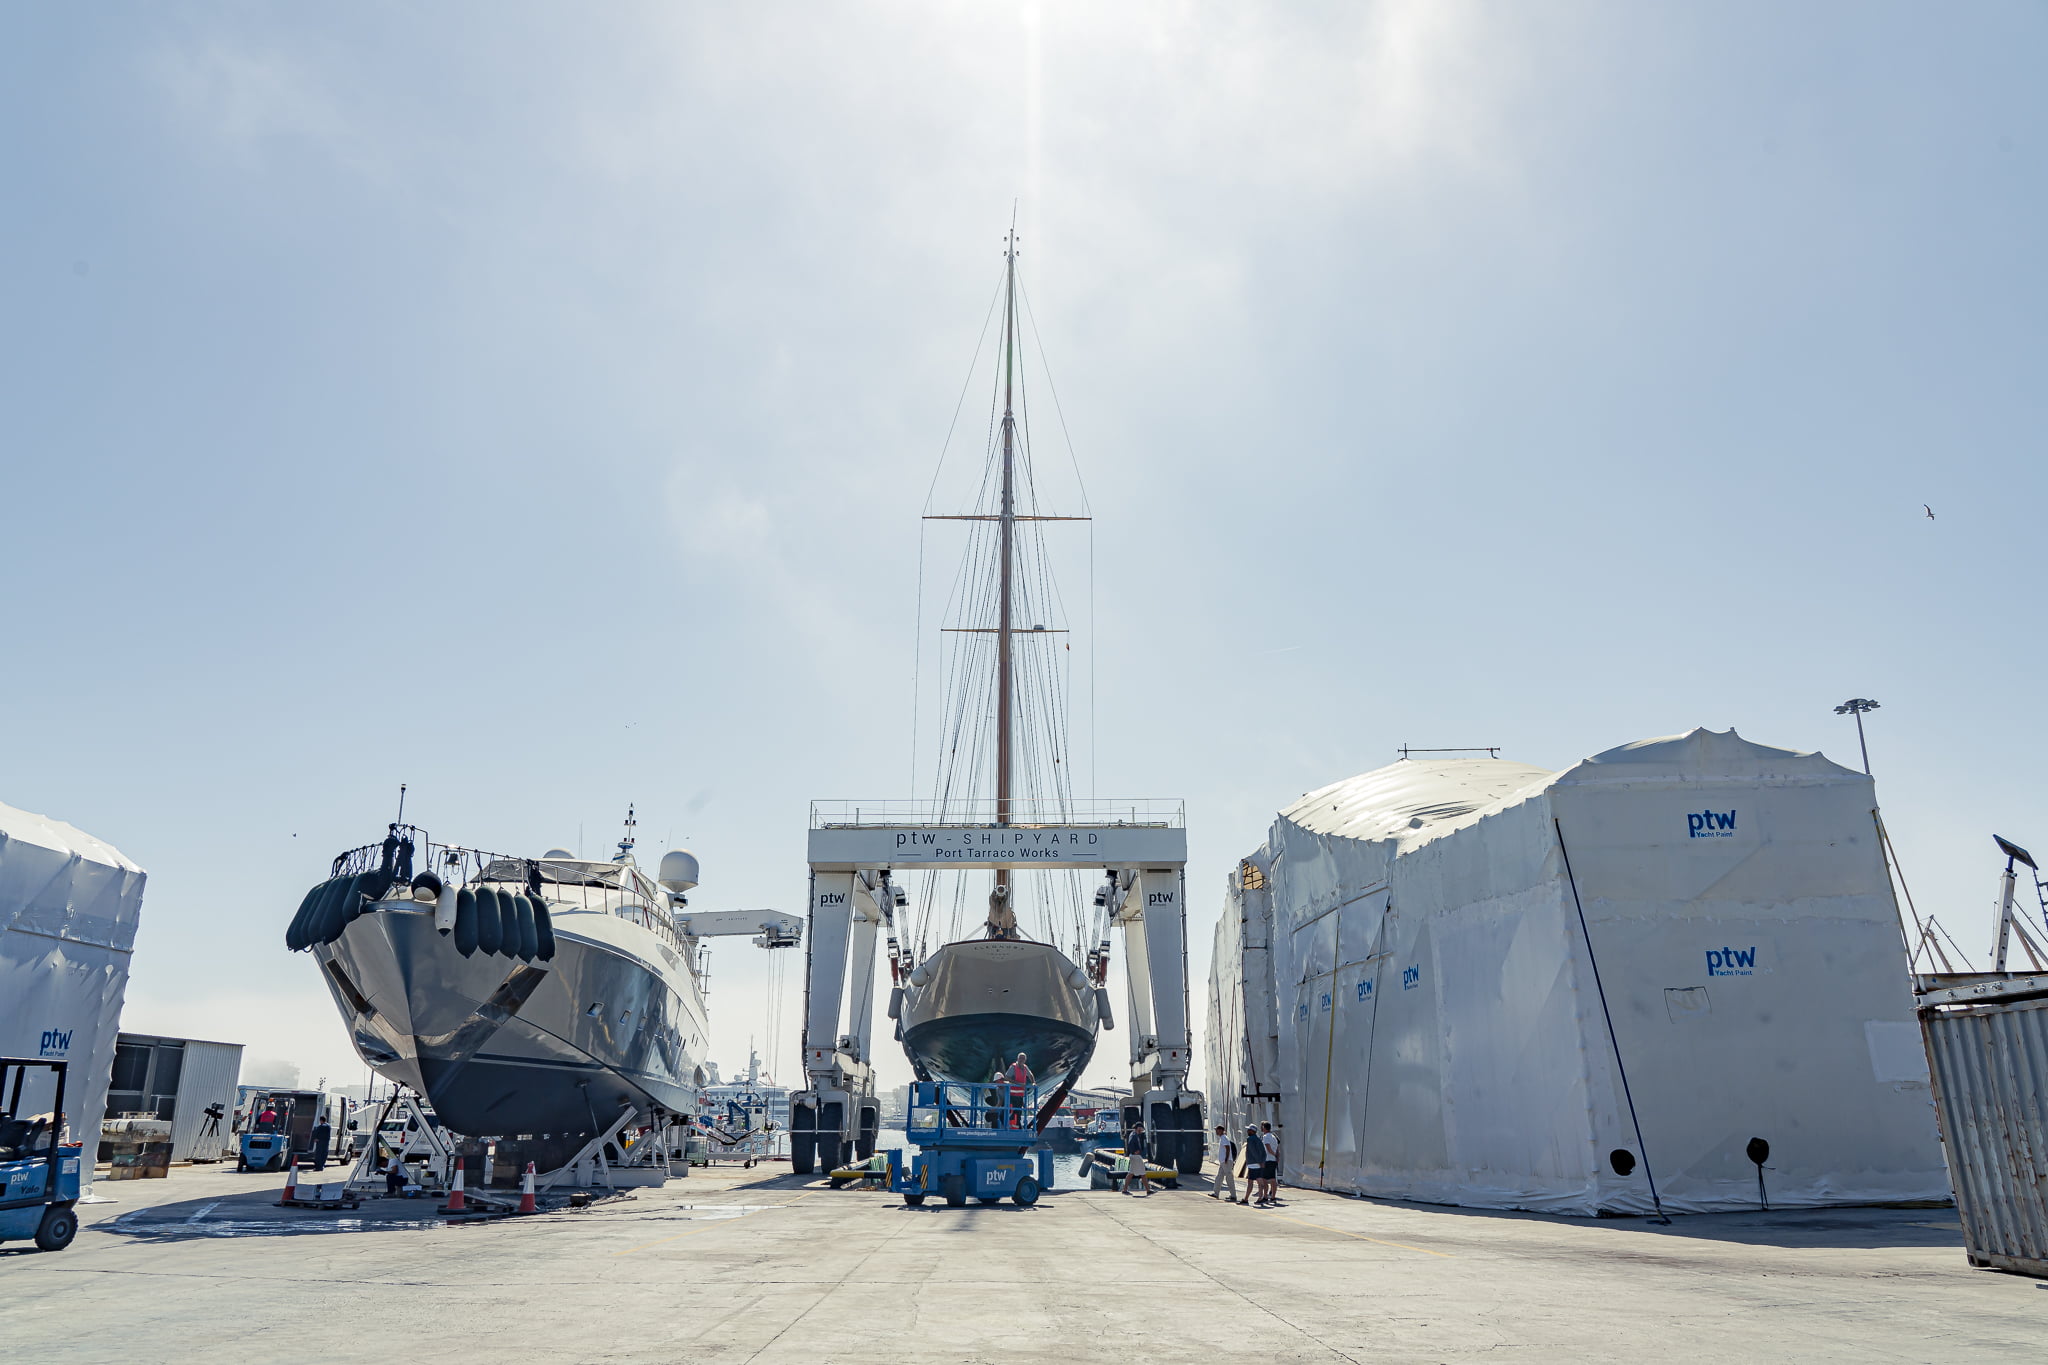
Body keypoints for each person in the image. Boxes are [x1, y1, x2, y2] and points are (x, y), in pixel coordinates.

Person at [1210, 1125, 1238, 1202]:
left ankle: (1233, 1195)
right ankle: (1216, 1193)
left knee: (1229, 1178)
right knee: (1219, 1177)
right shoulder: (1222, 1138)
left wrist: (1226, 1158)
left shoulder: (1224, 1138)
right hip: (1223, 1162)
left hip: (1226, 1161)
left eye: (1217, 1130)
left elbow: (1228, 1148)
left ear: (1221, 1130)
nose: (1216, 1131)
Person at [1122, 1123, 1150, 1196]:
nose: (1142, 1130)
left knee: (1131, 1173)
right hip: (1136, 1156)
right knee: (1143, 1173)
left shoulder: (1134, 1134)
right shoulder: (1134, 1135)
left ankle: (1124, 1189)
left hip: (1134, 1156)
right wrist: (1134, 1151)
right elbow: (1130, 1143)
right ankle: (1148, 1190)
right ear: (1138, 1128)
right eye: (1141, 1128)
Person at [1240, 1123, 1265, 1206]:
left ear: (1252, 1131)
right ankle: (1261, 1197)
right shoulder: (1258, 1140)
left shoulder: (1250, 1139)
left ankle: (1246, 1198)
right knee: (1260, 1180)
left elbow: (1253, 1152)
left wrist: (1258, 1161)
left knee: (1250, 1182)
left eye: (1248, 1130)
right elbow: (1263, 1152)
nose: (1247, 1131)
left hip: (1253, 1164)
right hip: (1258, 1163)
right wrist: (1262, 1162)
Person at [1008, 1053, 1034, 1127]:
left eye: (1023, 1058)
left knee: (1019, 1109)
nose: (1021, 1060)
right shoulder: (1013, 1067)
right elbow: (1006, 1077)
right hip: (1013, 1092)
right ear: (1017, 1058)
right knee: (1016, 1107)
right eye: (1020, 1058)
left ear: (1025, 1060)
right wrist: (1017, 1083)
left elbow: (1030, 1074)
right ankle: (1017, 1123)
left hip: (1020, 1093)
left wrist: (1033, 1082)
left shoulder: (1025, 1067)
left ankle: (1016, 1121)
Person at [1259, 1122, 1281, 1204]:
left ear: (1264, 1128)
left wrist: (1274, 1154)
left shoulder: (1265, 1137)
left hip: (1267, 1159)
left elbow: (1267, 1148)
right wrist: (1277, 1157)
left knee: (1264, 1179)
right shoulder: (1274, 1137)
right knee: (1272, 1179)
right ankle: (1273, 1197)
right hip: (1273, 1160)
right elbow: (1278, 1149)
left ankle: (1265, 1196)